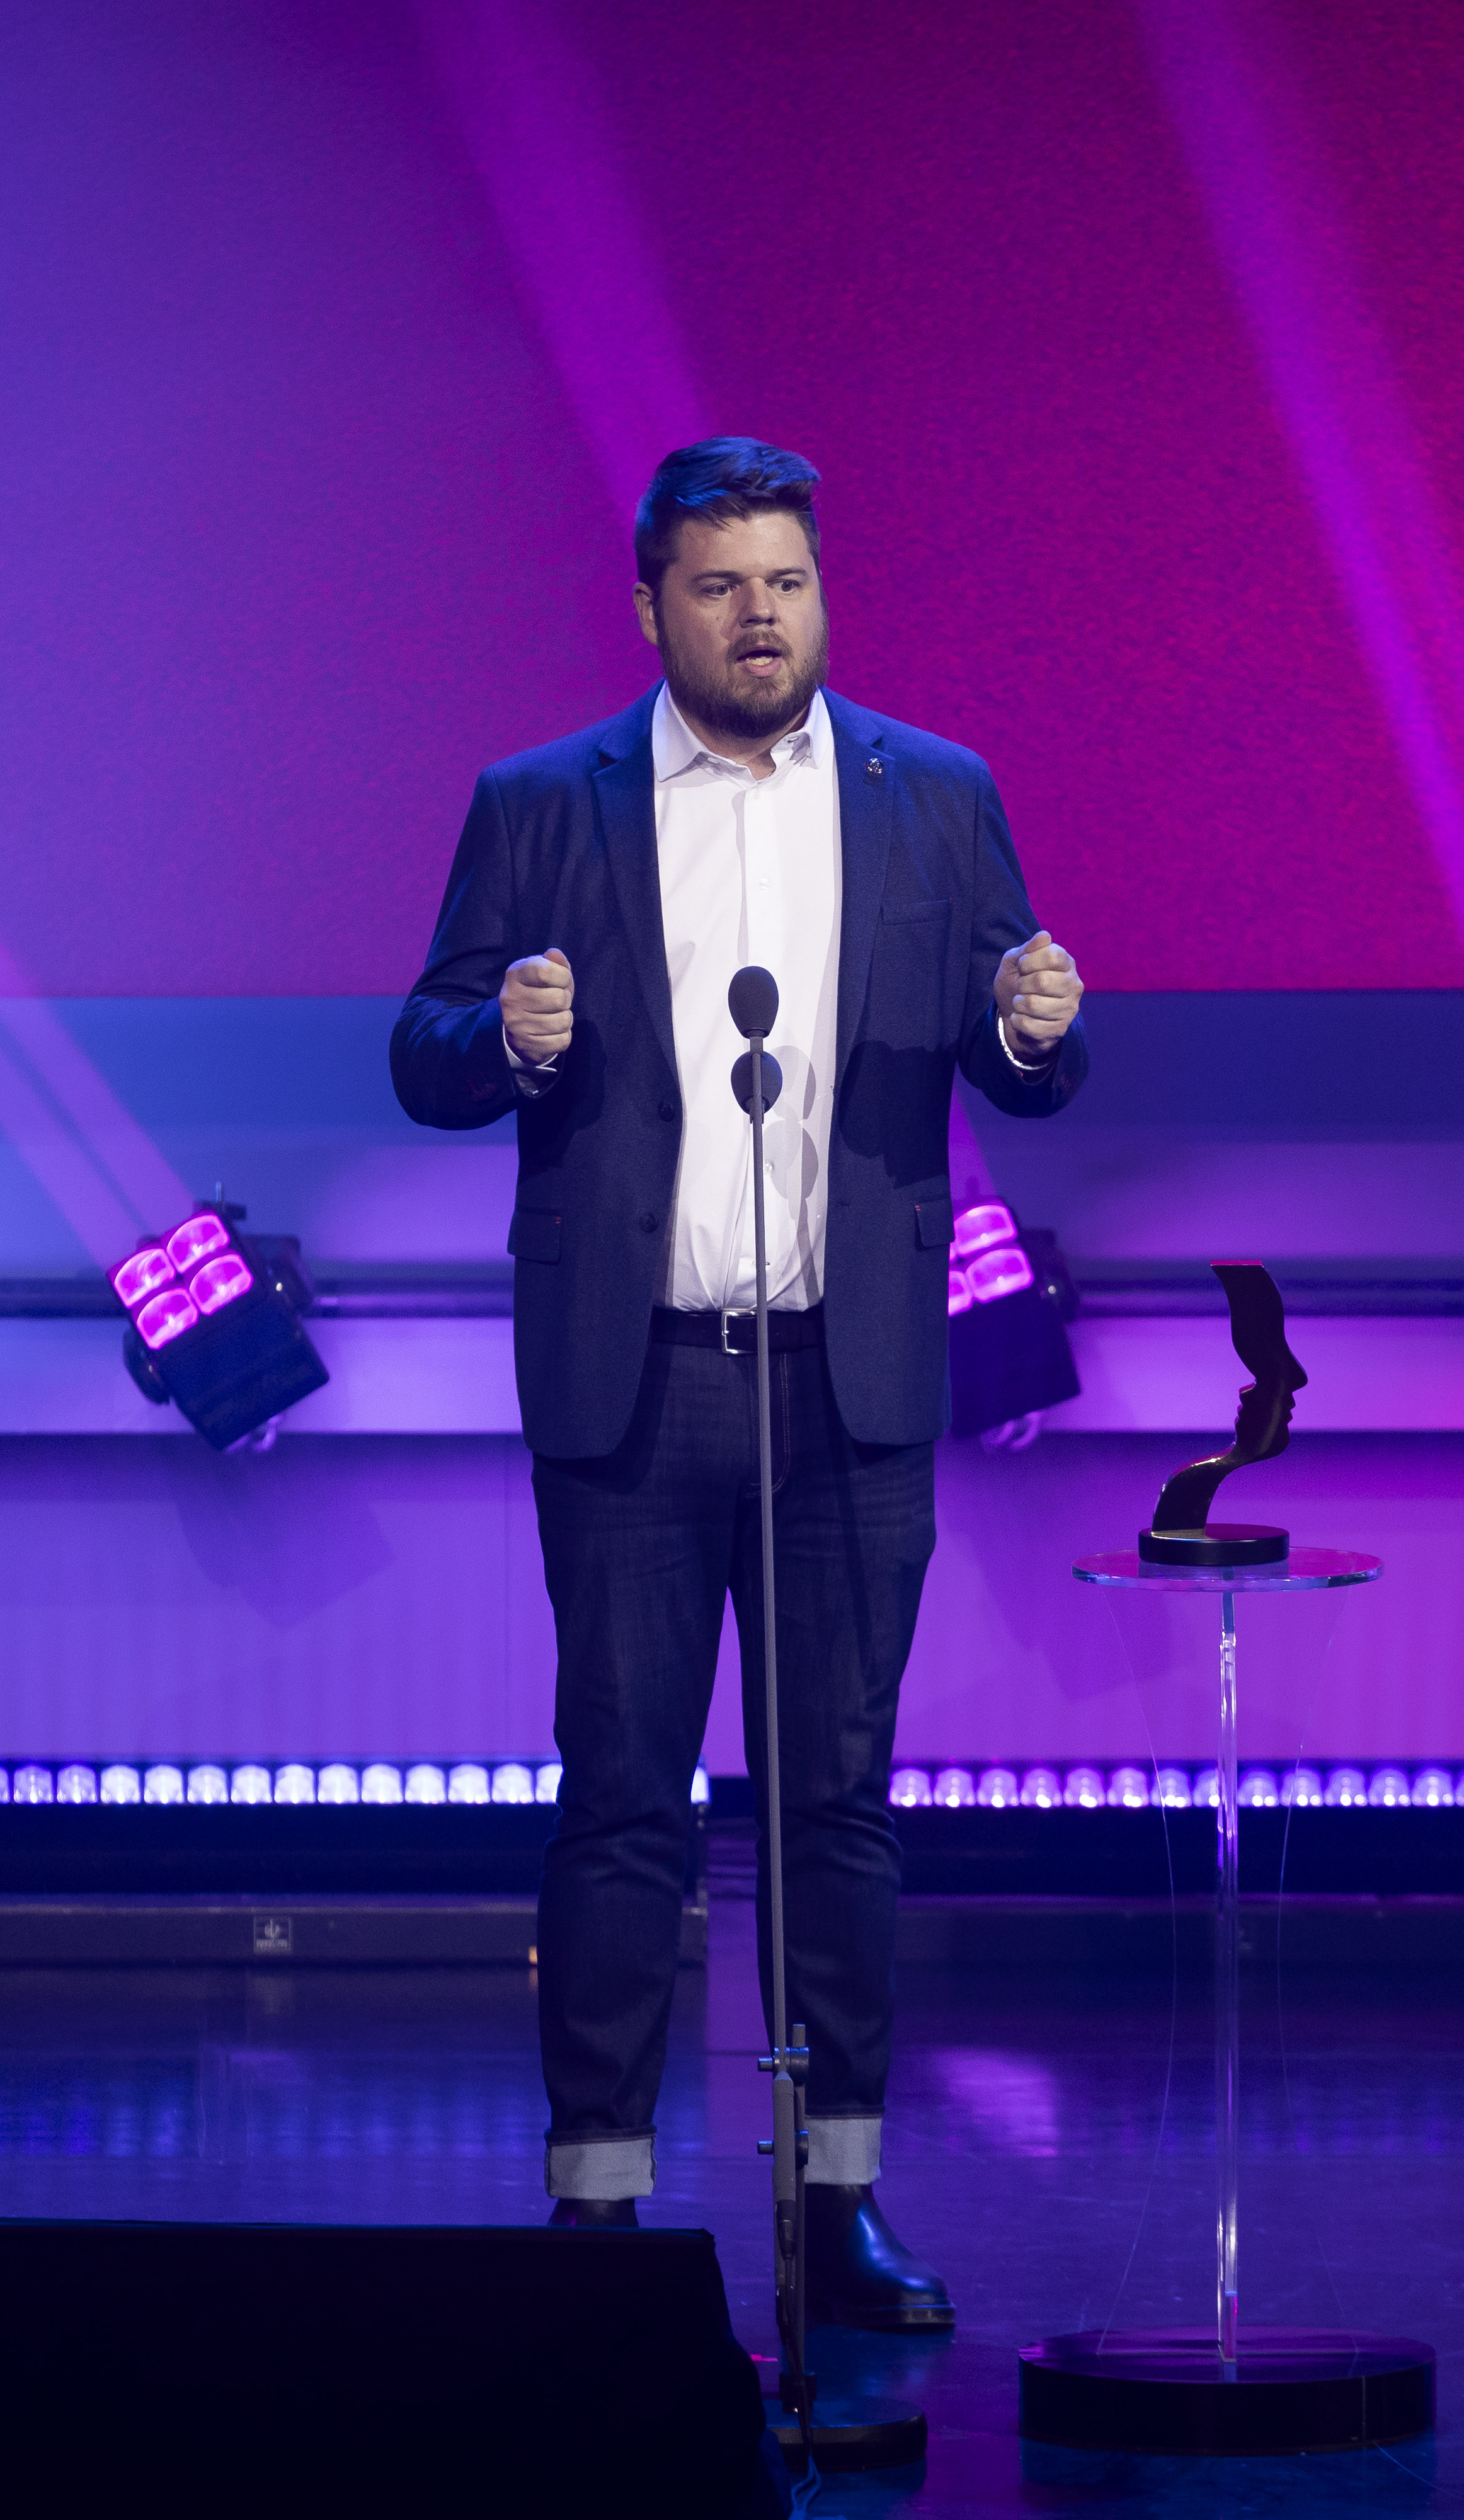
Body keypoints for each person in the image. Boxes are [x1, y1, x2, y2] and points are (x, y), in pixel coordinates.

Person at [389, 438, 1086, 2327]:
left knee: (835, 1804)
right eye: (720, 587)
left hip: (848, 1382)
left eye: (786, 582)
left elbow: (1016, 1050)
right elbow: (424, 1048)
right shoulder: (543, 801)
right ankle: (597, 2206)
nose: (760, 617)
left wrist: (1036, 1032)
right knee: (622, 1798)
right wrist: (506, 1036)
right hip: (634, 1378)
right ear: (651, 609)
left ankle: (836, 2200)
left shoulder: (936, 794)